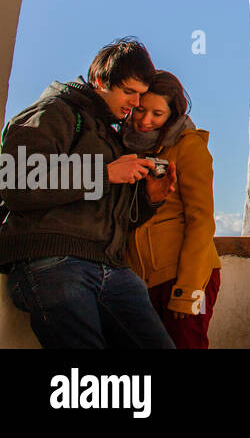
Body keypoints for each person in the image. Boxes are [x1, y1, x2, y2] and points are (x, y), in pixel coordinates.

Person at [0, 37, 177, 348]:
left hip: (113, 269)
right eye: (129, 92)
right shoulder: (54, 111)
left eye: (140, 94)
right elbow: (15, 182)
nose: (136, 104)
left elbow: (101, 213)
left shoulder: (109, 134)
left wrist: (150, 198)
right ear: (99, 80)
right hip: (52, 263)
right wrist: (105, 173)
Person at [124, 70, 221, 348]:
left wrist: (187, 289)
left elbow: (201, 220)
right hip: (142, 282)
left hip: (186, 277)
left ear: (173, 113)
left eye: (157, 113)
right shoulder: (128, 148)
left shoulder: (188, 146)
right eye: (141, 110)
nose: (146, 121)